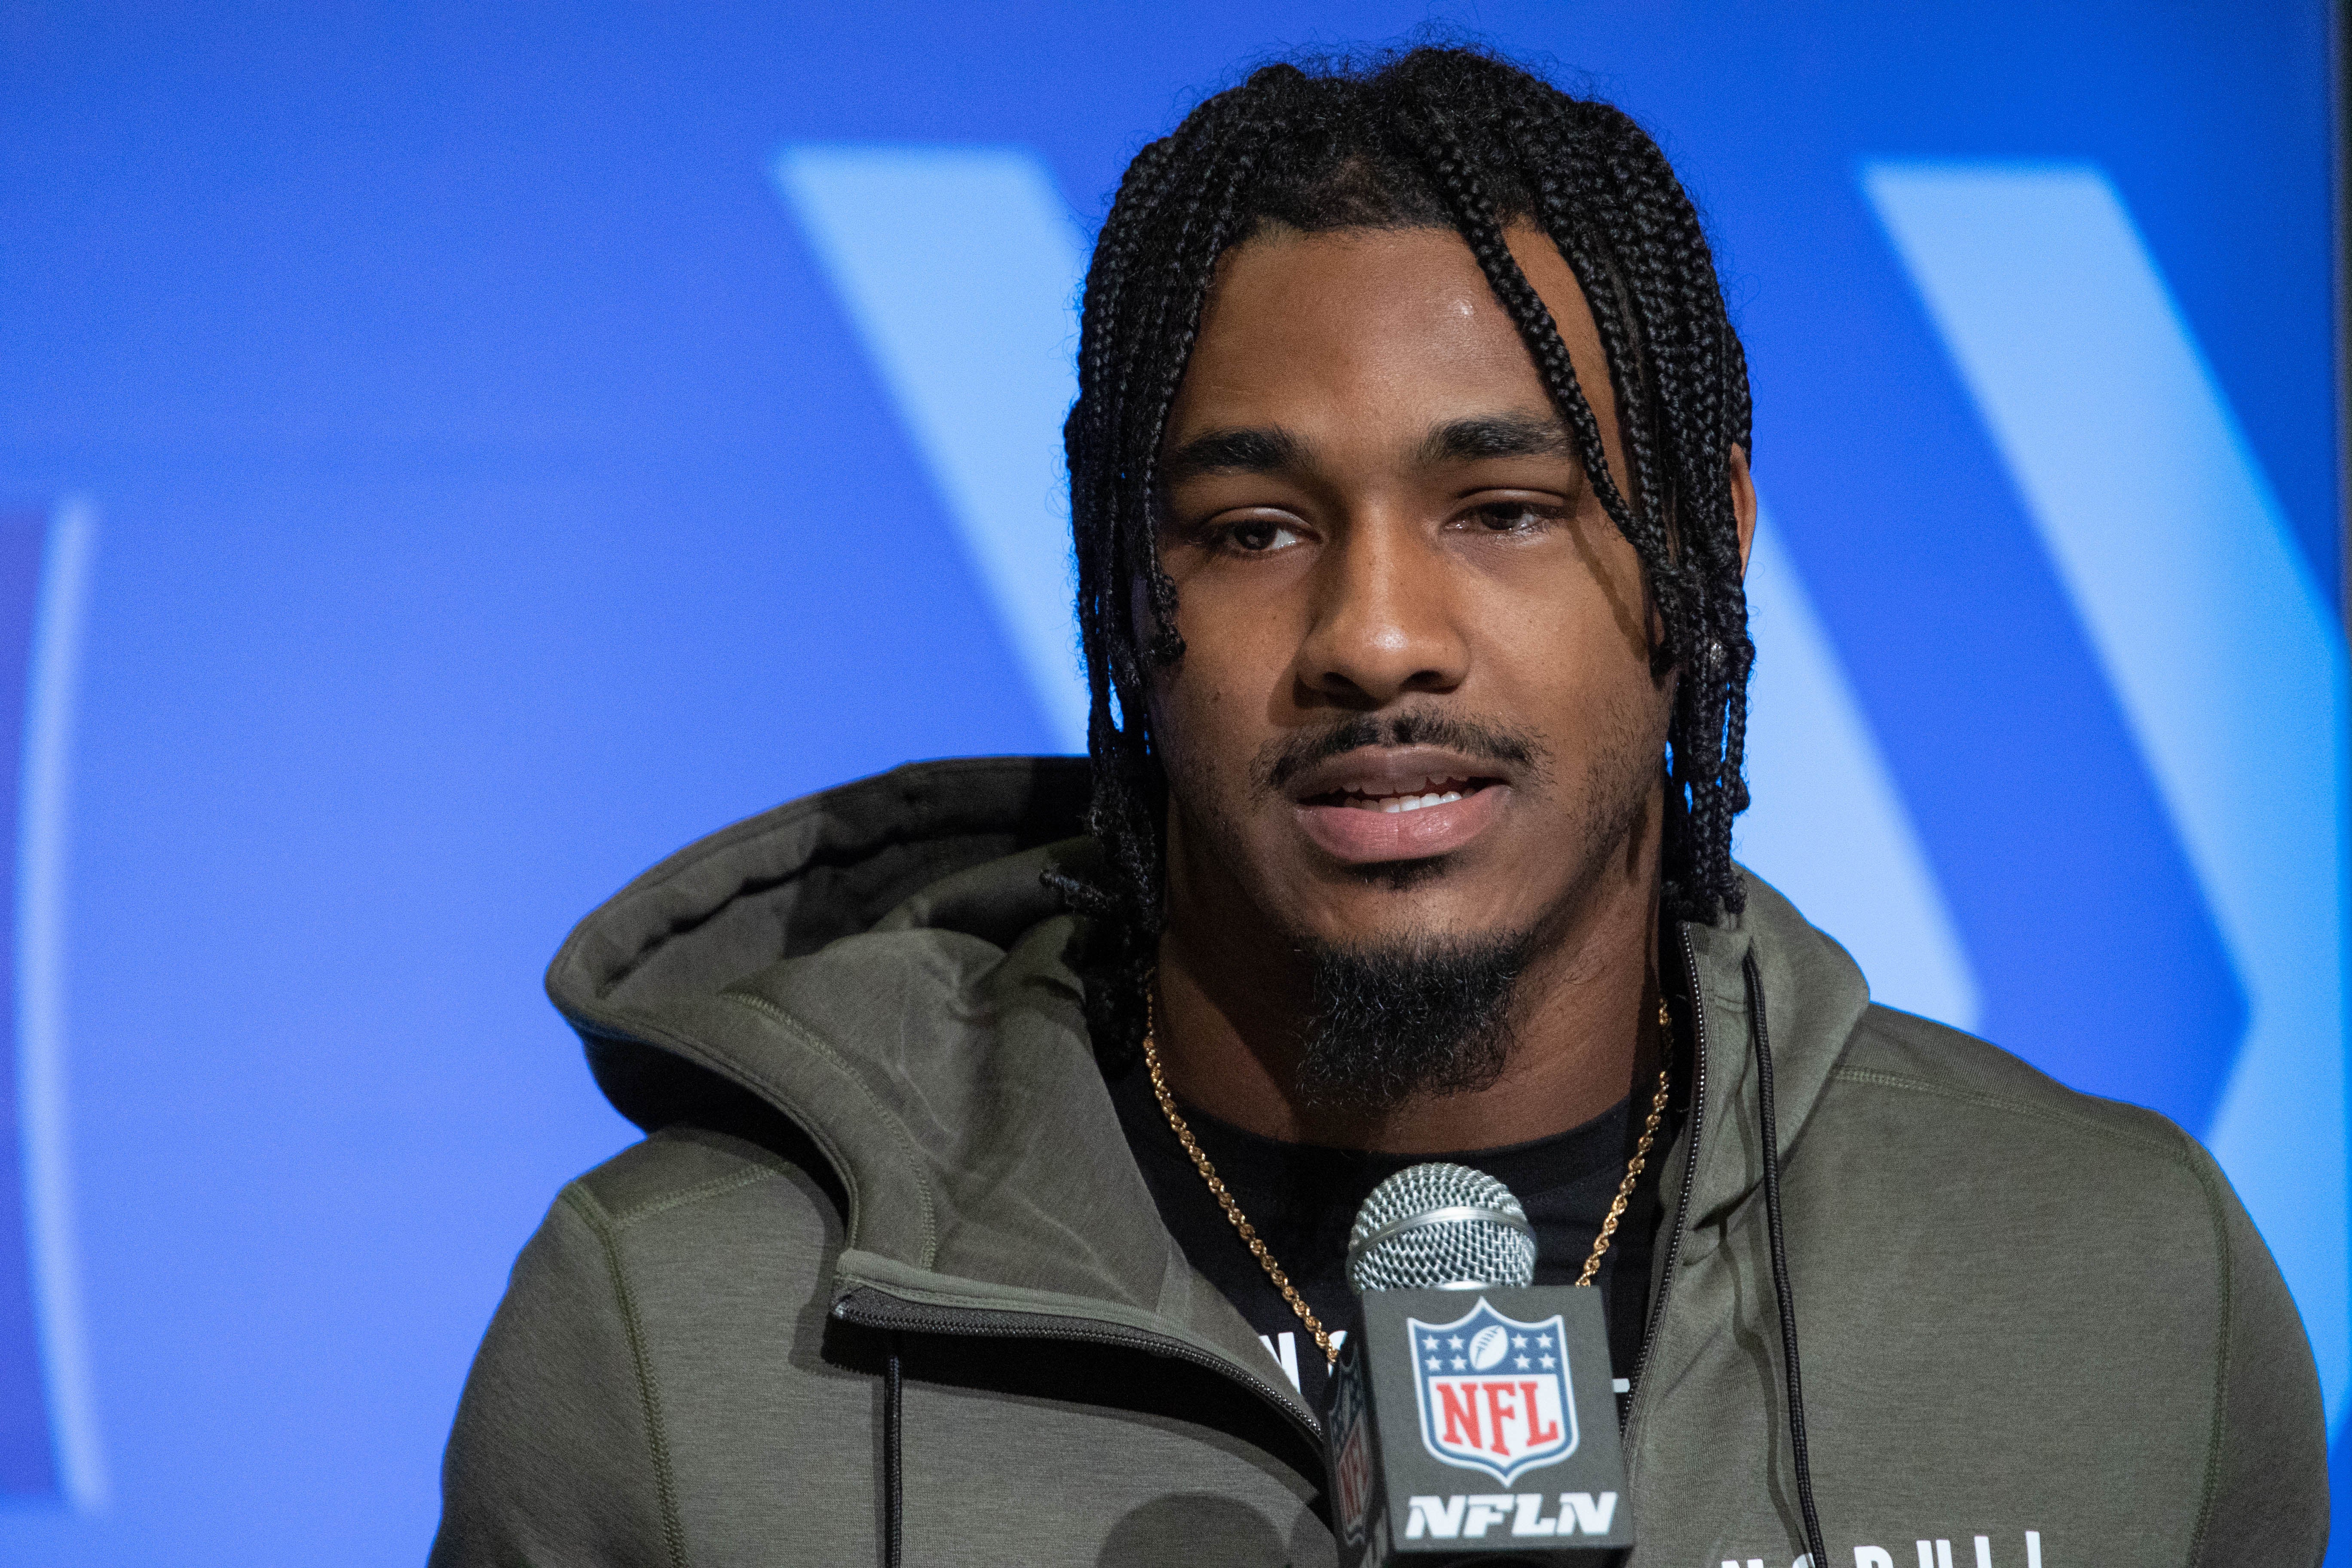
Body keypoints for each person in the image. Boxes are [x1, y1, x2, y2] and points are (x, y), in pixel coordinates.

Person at [429, 46, 2328, 1568]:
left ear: (1706, 553)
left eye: (1501, 509)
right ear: (1124, 595)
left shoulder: (2117, 1277)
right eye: (1255, 532)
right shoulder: (680, 1332)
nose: (1376, 636)